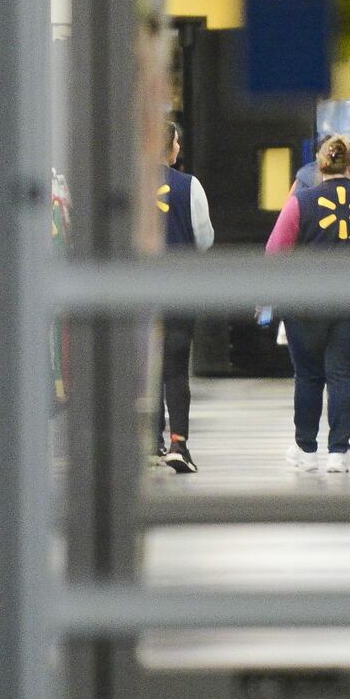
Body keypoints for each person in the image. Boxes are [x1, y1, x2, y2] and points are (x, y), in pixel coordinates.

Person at [265, 136, 350, 474]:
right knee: (344, 373)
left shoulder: (300, 203)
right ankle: (339, 451)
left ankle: (306, 451)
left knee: (308, 376)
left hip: (306, 303)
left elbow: (276, 250)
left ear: (319, 166)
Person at [156, 121, 214, 474]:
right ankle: (178, 443)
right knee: (175, 368)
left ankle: (148, 443)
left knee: (142, 367)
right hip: (177, 288)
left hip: (133, 289)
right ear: (173, 148)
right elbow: (203, 238)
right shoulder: (188, 185)